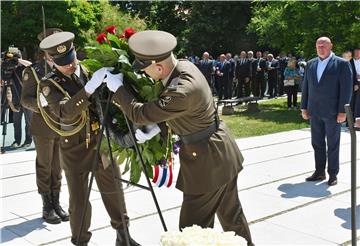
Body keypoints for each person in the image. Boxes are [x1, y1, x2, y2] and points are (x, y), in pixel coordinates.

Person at [101, 30, 254, 245]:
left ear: (159, 67)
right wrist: (159, 127)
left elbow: (140, 113)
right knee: (232, 218)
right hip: (221, 152)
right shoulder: (183, 67)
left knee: (191, 231)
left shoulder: (182, 89)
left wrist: (117, 89)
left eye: (146, 70)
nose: (145, 75)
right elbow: (175, 113)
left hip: (207, 161)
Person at [38, 31, 141, 246]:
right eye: (62, 63)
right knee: (79, 201)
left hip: (101, 143)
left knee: (114, 190)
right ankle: (80, 241)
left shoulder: (87, 69)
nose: (70, 65)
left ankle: (124, 236)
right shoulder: (49, 85)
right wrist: (89, 88)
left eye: (71, 58)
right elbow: (65, 111)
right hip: (74, 149)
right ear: (51, 60)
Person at [21, 28, 68, 224]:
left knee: (58, 167)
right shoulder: (33, 71)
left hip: (64, 124)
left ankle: (56, 202)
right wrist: (40, 102)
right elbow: (24, 99)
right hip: (44, 126)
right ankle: (47, 204)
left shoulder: (65, 66)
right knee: (45, 165)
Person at [301, 37, 352, 186]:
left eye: (323, 45)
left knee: (333, 144)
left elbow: (346, 89)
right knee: (317, 143)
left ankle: (333, 174)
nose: (320, 48)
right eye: (318, 45)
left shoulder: (342, 64)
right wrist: (304, 107)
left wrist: (342, 111)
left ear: (331, 46)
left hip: (332, 112)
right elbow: (306, 87)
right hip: (314, 111)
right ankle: (319, 171)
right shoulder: (310, 64)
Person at [1, 49, 32, 148]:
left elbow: (31, 65)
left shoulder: (22, 67)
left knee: (29, 122)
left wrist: (17, 60)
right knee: (16, 122)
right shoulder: (6, 68)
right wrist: (3, 62)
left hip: (27, 98)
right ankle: (17, 141)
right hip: (15, 99)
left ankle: (28, 140)